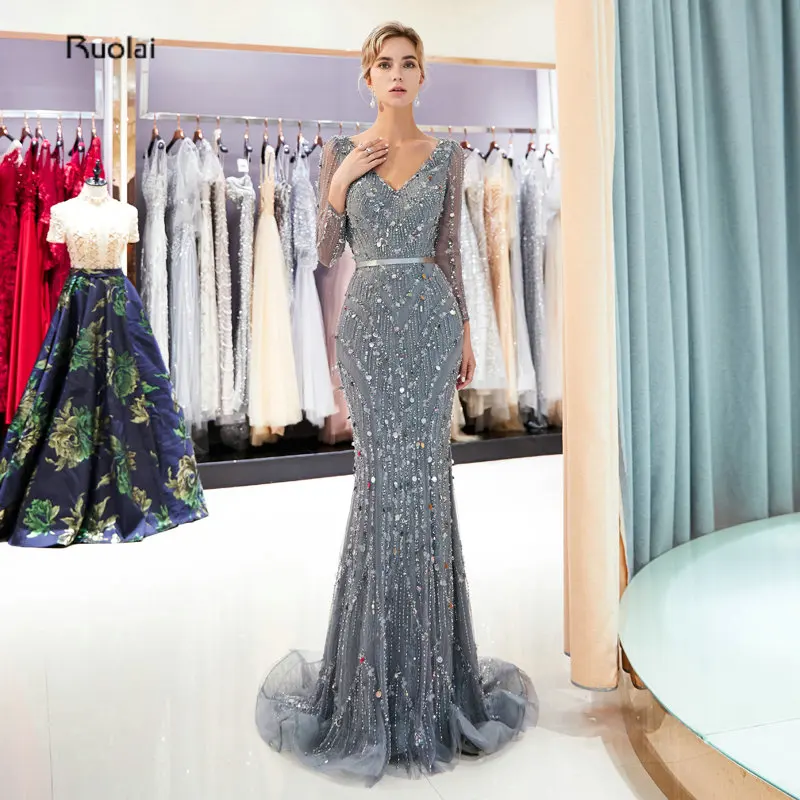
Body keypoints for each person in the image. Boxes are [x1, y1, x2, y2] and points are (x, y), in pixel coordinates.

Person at [256, 21, 536, 782]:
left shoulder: (447, 156)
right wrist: (341, 181)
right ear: (367, 77)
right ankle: (369, 688)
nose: (398, 73)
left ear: (423, 76)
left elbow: (449, 252)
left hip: (431, 323)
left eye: (410, 63)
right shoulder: (339, 154)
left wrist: (466, 328)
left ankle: (435, 684)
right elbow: (323, 254)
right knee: (382, 491)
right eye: (386, 64)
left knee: (429, 489)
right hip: (371, 328)